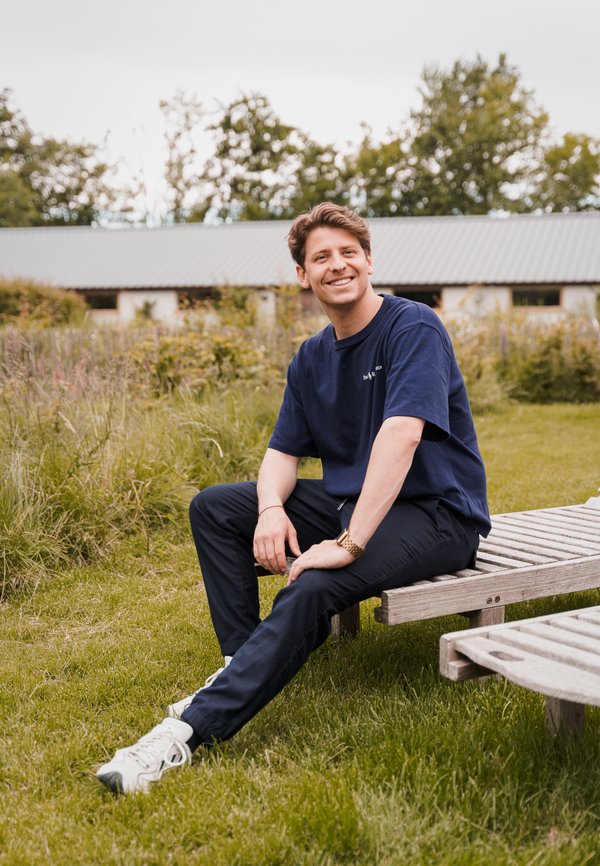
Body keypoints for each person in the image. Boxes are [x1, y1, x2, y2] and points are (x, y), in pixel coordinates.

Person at [96, 202, 491, 794]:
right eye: (321, 257)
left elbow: (402, 434)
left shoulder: (413, 327)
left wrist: (348, 543)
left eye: (349, 252)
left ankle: (184, 734)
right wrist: (271, 510)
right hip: (354, 502)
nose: (338, 265)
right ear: (304, 275)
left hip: (437, 514)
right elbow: (282, 452)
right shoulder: (311, 357)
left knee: (314, 584)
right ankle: (241, 663)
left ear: (369, 261)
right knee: (215, 507)